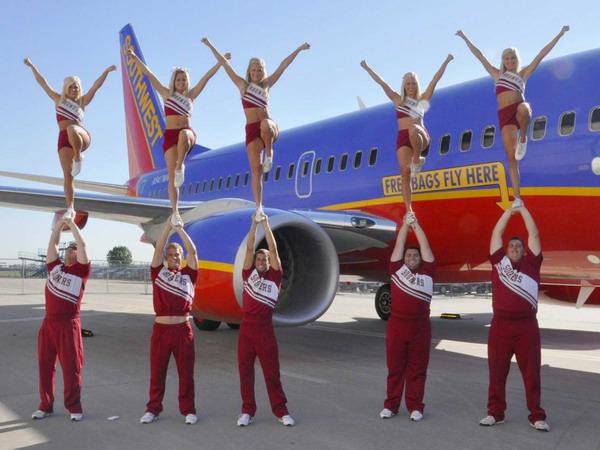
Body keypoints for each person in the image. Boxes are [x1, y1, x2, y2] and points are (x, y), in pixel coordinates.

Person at [456, 26, 569, 208]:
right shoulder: (497, 74)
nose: (509, 60)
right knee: (511, 158)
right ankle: (517, 198)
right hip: (505, 115)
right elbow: (479, 56)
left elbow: (541, 54)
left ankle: (523, 138)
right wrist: (464, 37)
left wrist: (560, 34)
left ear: (517, 59)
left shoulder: (523, 74)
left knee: (525, 108)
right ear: (503, 61)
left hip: (518, 109)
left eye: (513, 58)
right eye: (506, 58)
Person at [201, 37, 310, 220]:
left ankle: (270, 153)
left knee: (265, 124)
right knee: (256, 171)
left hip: (268, 127)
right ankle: (259, 207)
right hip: (252, 130)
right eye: (253, 70)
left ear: (262, 71)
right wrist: (210, 45)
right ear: (249, 71)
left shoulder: (267, 85)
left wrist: (299, 49)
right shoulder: (242, 85)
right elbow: (225, 66)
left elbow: (283, 66)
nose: (256, 73)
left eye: (259, 70)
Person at [127, 46, 230, 226]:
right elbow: (149, 75)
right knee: (173, 180)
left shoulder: (191, 96)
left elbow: (207, 77)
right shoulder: (166, 94)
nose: (181, 82)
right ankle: (175, 212)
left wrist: (221, 62)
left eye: (184, 79)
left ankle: (180, 165)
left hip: (186, 133)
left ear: (187, 82)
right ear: (174, 82)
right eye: (178, 79)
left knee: (184, 135)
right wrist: (134, 57)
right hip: (170, 136)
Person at [480, 206, 549, 431]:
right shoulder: (499, 262)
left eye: (519, 246)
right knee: (497, 372)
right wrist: (509, 212)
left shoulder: (532, 264)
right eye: (511, 246)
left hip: (527, 326)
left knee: (532, 374)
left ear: (524, 250)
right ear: (506, 250)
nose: (515, 248)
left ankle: (536, 416)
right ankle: (495, 413)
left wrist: (524, 210)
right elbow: (496, 234)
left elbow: (534, 234)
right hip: (500, 326)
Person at [24, 58, 116, 219]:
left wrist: (106, 72)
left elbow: (96, 86)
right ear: (66, 88)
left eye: (77, 87)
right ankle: (70, 208)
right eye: (71, 87)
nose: (74, 89)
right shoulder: (58, 99)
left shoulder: (83, 101)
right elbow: (43, 82)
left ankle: (78, 157)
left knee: (71, 128)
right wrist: (32, 66)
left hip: (81, 136)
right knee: (67, 175)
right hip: (64, 140)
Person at [360, 55, 453, 214]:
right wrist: (368, 68)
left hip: (420, 136)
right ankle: (409, 211)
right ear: (404, 85)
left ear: (417, 85)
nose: (410, 86)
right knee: (405, 173)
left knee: (413, 128)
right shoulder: (398, 100)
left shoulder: (423, 99)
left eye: (413, 83)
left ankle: (417, 159)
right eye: (408, 83)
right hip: (403, 138)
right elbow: (382, 83)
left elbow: (435, 79)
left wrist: (446, 61)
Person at [236, 214, 294, 427]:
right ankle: (247, 411)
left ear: (270, 263)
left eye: (264, 260)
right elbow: (250, 248)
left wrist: (266, 224)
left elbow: (273, 248)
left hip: (265, 330)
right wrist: (253, 224)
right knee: (245, 372)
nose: (261, 262)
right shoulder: (247, 275)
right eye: (258, 260)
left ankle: (281, 411)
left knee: (272, 373)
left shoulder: (275, 277)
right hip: (246, 329)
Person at [140, 220, 199, 425]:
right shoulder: (158, 273)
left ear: (181, 258)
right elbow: (158, 249)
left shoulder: (189, 275)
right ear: (166, 258)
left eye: (178, 255)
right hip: (161, 330)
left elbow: (193, 252)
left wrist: (180, 229)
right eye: (171, 254)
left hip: (183, 330)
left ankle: (188, 409)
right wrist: (167, 228)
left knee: (186, 373)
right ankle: (153, 409)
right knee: (157, 372)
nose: (175, 257)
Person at [32, 217, 91, 421]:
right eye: (69, 248)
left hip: (69, 324)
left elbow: (83, 245)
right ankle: (45, 405)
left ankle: (74, 406)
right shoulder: (55, 268)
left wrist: (72, 223)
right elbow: (53, 245)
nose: (70, 251)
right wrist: (59, 225)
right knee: (45, 366)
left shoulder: (82, 271)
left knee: (71, 368)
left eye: (74, 249)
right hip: (48, 323)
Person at [380, 212, 435, 422]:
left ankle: (415, 407)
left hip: (421, 327)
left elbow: (426, 248)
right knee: (395, 369)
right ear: (403, 259)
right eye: (409, 256)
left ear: (421, 259)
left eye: (415, 256)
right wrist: (405, 225)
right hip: (397, 326)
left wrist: (416, 225)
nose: (412, 258)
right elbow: (398, 246)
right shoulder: (396, 269)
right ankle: (391, 406)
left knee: (417, 369)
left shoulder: (428, 271)